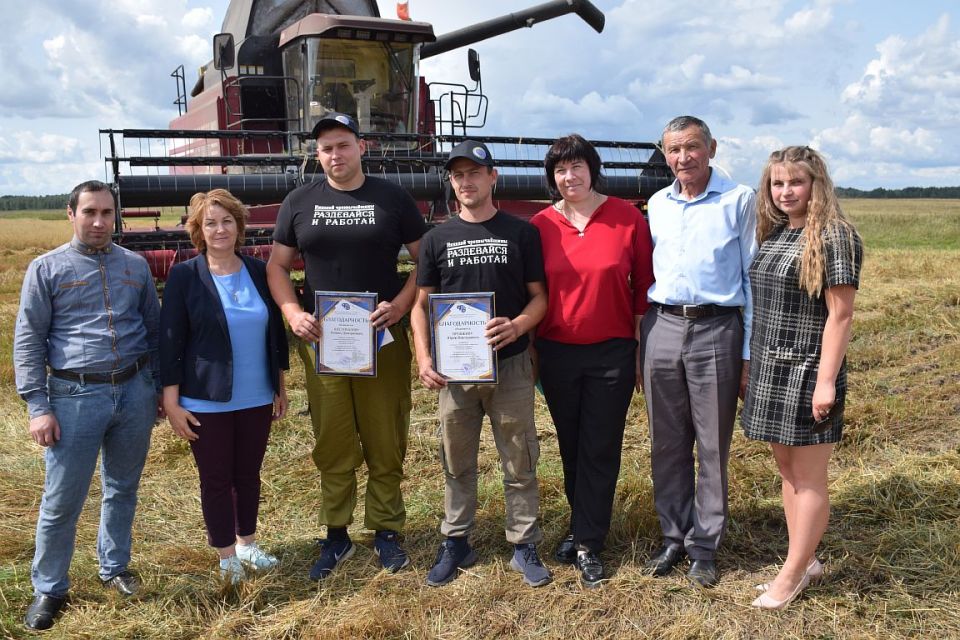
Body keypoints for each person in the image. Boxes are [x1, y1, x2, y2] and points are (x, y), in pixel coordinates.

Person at [266, 112, 427, 579]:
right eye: (326, 148)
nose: (335, 155)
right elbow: (277, 266)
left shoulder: (392, 198)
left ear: (361, 146)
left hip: (382, 338)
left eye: (342, 145)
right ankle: (336, 533)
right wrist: (293, 312)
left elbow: (426, 262)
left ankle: (386, 530)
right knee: (333, 437)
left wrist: (400, 305)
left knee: (385, 435)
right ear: (317, 155)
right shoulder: (299, 201)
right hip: (324, 341)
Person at [14, 180, 161, 631]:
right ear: (71, 213)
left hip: (134, 391)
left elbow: (154, 330)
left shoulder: (135, 266)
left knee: (122, 487)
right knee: (62, 498)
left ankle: (114, 567)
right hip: (74, 397)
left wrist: (156, 389)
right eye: (89, 212)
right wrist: (38, 405)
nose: (99, 221)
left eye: (106, 213)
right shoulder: (46, 269)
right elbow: (28, 340)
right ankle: (49, 587)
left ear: (116, 215)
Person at [411, 140, 550, 588]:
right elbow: (420, 306)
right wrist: (423, 357)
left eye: (475, 172)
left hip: (509, 365)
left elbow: (540, 298)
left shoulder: (521, 233)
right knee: (456, 460)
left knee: (519, 456)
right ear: (451, 183)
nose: (466, 181)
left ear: (493, 177)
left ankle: (524, 543)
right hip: (455, 373)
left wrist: (519, 326)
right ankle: (456, 541)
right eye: (458, 175)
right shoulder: (437, 238)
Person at [531, 134, 654, 588]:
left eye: (577, 167)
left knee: (600, 446)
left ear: (592, 169)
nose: (570, 177)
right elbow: (532, 291)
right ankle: (580, 524)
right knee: (570, 445)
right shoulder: (540, 225)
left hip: (612, 352)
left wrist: (639, 348)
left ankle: (588, 542)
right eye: (560, 170)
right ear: (552, 178)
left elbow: (643, 288)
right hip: (557, 352)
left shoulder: (627, 218)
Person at [743, 146, 863, 609]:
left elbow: (841, 315)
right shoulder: (776, 232)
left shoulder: (835, 236)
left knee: (809, 477)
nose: (785, 191)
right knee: (788, 470)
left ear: (816, 184)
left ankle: (791, 575)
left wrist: (825, 382)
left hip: (809, 371)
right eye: (777, 183)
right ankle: (805, 558)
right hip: (771, 369)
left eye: (796, 181)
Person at [641, 116, 757, 587]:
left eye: (691, 147)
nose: (683, 157)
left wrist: (747, 354)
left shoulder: (739, 200)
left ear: (711, 148)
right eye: (673, 149)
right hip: (663, 325)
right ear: (665, 155)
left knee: (712, 443)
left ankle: (704, 545)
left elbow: (751, 279)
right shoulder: (657, 204)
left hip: (717, 327)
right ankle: (673, 535)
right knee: (666, 441)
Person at [160, 189, 289, 584]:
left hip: (257, 394)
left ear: (239, 226)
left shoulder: (259, 271)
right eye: (210, 223)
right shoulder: (184, 275)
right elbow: (170, 341)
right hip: (205, 399)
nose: (220, 229)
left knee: (248, 474)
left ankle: (247, 543)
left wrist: (280, 384)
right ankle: (226, 556)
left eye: (227, 221)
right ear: (198, 230)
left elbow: (275, 331)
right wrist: (171, 402)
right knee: (216, 480)